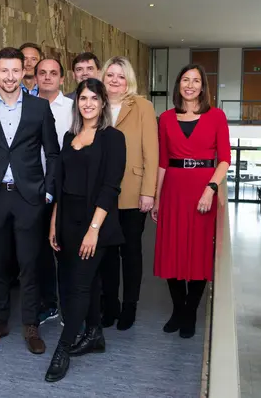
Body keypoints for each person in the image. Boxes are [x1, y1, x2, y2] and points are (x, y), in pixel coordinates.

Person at [0, 47, 59, 354]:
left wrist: (46, 191)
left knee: (29, 265)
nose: (9, 77)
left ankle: (30, 326)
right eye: (4, 71)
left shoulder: (38, 108)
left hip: (28, 197)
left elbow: (53, 152)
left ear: (23, 73)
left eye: (15, 71)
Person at [45, 78, 126, 383]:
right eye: (83, 98)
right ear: (77, 102)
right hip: (67, 219)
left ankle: (62, 349)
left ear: (103, 103)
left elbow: (110, 187)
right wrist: (54, 221)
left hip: (96, 222)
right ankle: (94, 334)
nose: (88, 103)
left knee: (79, 285)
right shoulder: (69, 137)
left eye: (94, 98)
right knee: (78, 284)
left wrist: (94, 230)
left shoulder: (113, 138)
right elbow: (61, 186)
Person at [153, 64, 230, 338]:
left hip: (202, 190)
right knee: (172, 251)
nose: (190, 85)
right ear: (178, 85)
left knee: (197, 253)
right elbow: (162, 162)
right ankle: (178, 309)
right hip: (173, 188)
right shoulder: (165, 118)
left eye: (196, 80)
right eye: (185, 79)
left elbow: (224, 159)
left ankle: (190, 313)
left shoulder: (216, 116)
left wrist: (210, 188)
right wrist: (157, 198)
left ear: (203, 86)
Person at [98, 56, 158, 331]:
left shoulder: (142, 106)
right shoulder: (94, 104)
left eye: (120, 76)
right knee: (106, 253)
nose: (114, 80)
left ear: (128, 80)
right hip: (101, 192)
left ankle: (129, 307)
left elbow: (152, 151)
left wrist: (149, 192)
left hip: (134, 191)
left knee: (130, 252)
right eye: (110, 74)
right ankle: (110, 305)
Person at [33, 58, 74, 324]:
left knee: (66, 248)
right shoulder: (25, 106)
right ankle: (48, 302)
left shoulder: (73, 108)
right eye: (42, 73)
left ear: (62, 79)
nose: (47, 78)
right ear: (35, 77)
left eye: (53, 73)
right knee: (40, 250)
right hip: (34, 187)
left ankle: (71, 305)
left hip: (67, 186)